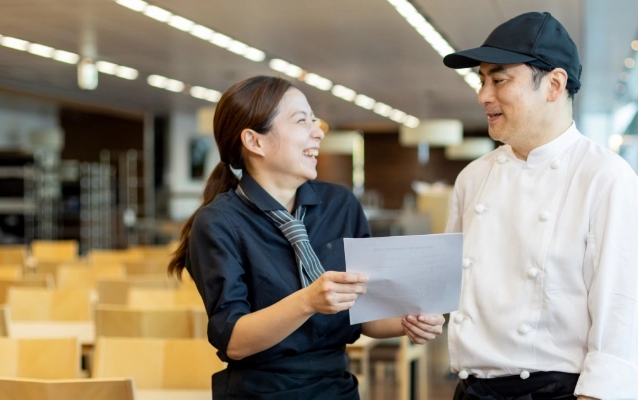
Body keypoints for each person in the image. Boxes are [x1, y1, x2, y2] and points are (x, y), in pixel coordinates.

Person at [168, 76, 445, 399]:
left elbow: (365, 313)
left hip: (336, 388)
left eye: (315, 119)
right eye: (302, 120)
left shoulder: (340, 205)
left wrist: (408, 322)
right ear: (254, 141)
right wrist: (309, 301)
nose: (318, 130)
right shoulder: (218, 222)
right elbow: (235, 342)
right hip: (260, 392)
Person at [441, 12, 638, 400]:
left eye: (499, 79)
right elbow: (449, 286)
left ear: (554, 85)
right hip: (470, 390)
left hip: (556, 392)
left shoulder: (605, 177)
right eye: (481, 79)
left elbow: (624, 310)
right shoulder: (472, 177)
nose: (483, 96)